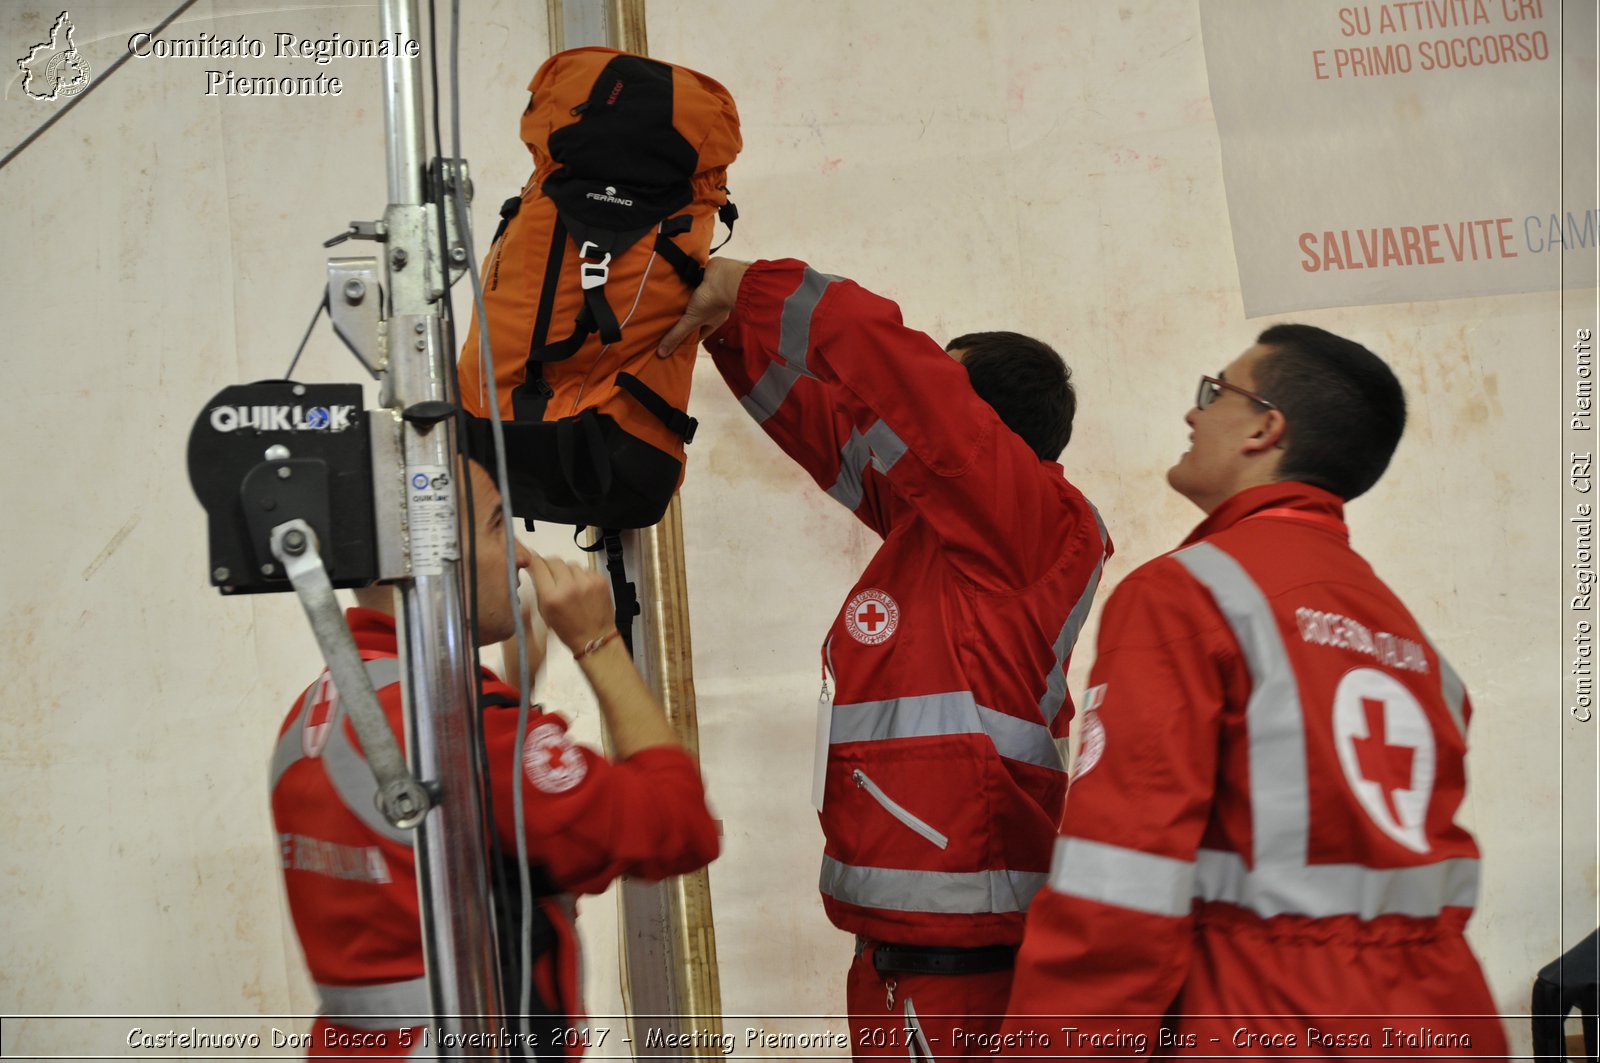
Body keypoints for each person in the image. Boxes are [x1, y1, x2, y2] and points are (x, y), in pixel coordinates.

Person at [1002, 325, 1509, 1058]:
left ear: (1266, 427)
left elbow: (1115, 894)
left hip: (1272, 1025)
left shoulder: (1185, 596)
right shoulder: (1410, 644)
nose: (1192, 413)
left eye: (1215, 392)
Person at [658, 259, 1112, 1058]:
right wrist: (726, 332)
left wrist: (743, 286)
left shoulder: (1023, 518)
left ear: (978, 427)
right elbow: (825, 426)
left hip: (961, 967)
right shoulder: (944, 526)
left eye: (945, 386)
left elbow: (880, 357)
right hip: (901, 958)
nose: (915, 407)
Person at [269, 459, 719, 1060]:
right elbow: (679, 825)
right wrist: (598, 641)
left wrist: (514, 701)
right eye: (496, 524)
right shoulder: (470, 732)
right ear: (430, 555)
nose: (523, 555)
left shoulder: (321, 710)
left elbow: (467, 853)